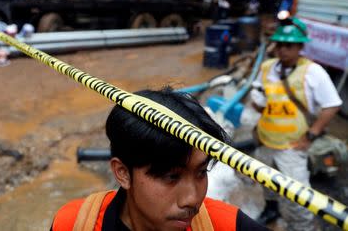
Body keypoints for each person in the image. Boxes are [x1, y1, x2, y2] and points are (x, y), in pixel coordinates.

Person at [51, 87, 268, 231]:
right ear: (123, 173)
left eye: (201, 172)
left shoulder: (227, 225)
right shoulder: (74, 224)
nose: (192, 199)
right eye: (171, 177)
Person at [251, 17, 342, 230]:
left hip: (292, 148)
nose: (283, 50)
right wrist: (258, 103)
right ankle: (270, 208)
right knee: (266, 181)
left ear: (300, 47)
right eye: (280, 45)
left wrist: (312, 134)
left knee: (297, 197)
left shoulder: (313, 72)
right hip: (266, 141)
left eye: (289, 46)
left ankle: (302, 226)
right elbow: (259, 93)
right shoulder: (266, 67)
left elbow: (332, 105)